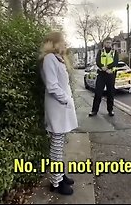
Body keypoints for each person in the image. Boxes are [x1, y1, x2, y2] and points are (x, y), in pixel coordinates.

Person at [39, 31, 78, 195]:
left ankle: (60, 175)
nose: (65, 44)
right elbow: (52, 86)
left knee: (59, 145)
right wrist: (66, 100)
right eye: (62, 41)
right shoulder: (49, 59)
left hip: (61, 107)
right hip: (57, 107)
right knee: (56, 146)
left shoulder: (57, 58)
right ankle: (56, 182)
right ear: (54, 43)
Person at [89, 37, 119, 117]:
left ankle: (110, 110)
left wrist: (108, 67)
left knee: (110, 94)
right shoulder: (100, 51)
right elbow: (98, 61)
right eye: (106, 42)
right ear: (104, 43)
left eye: (109, 42)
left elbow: (115, 62)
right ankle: (94, 110)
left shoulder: (114, 52)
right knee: (98, 93)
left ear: (111, 43)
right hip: (101, 74)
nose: (108, 44)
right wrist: (102, 67)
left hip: (110, 74)